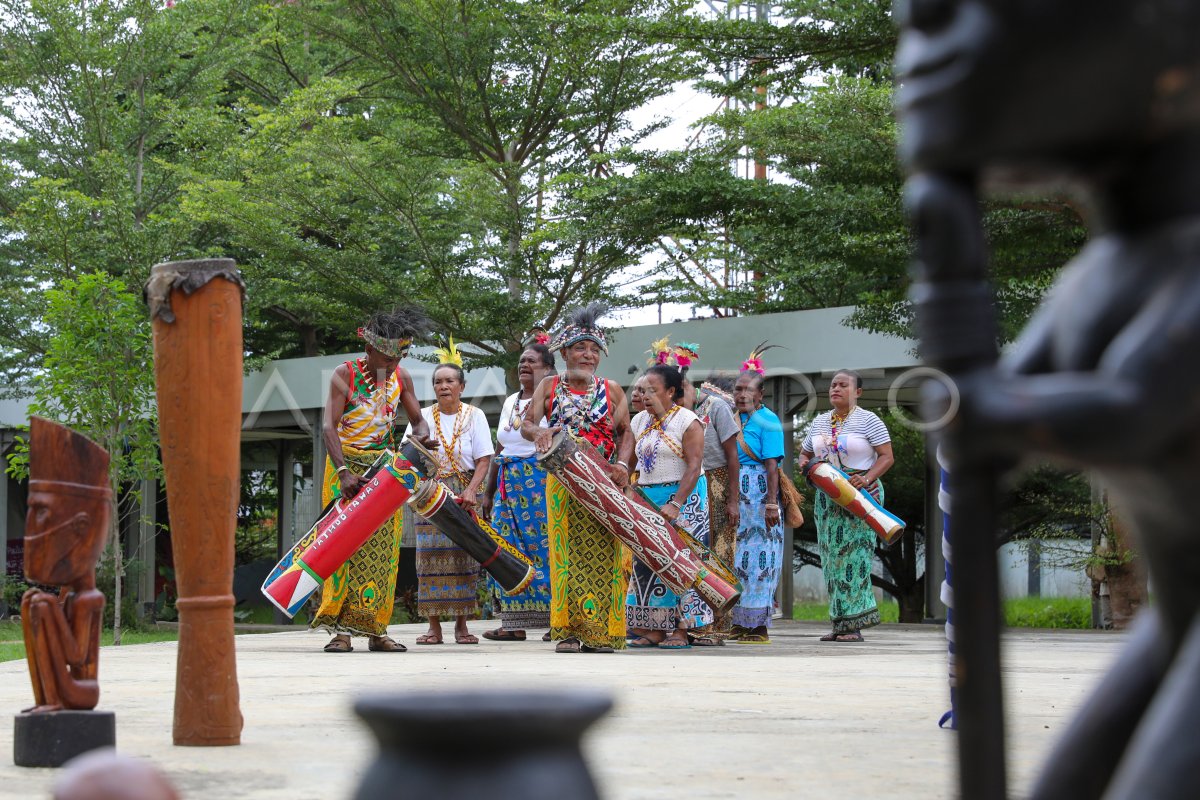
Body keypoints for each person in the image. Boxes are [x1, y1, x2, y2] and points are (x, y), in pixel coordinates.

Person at [313, 309, 431, 653]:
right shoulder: (344, 374)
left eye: (398, 356)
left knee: (384, 551)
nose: (392, 362)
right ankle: (341, 633)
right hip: (346, 468)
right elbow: (327, 426)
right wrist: (343, 472)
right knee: (341, 547)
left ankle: (377, 630)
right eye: (386, 355)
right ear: (368, 347)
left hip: (384, 471)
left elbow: (418, 421)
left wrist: (422, 437)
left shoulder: (402, 378)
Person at [523, 302, 632, 653]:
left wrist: (623, 465)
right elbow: (523, 423)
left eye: (594, 349)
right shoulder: (549, 386)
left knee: (606, 549)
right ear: (565, 352)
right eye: (580, 348)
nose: (588, 355)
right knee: (565, 552)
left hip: (603, 478)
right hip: (563, 478)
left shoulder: (612, 389)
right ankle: (570, 631)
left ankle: (602, 631)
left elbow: (626, 433)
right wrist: (538, 433)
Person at [404, 343, 495, 645]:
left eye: (449, 381)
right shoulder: (422, 416)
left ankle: (461, 626)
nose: (443, 386)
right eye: (438, 382)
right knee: (427, 559)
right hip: (429, 492)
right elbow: (407, 454)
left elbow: (484, 459)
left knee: (464, 556)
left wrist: (471, 491)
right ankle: (434, 628)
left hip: (463, 493)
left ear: (461, 385)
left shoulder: (475, 415)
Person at [797, 370, 894, 643]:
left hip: (860, 491)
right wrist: (806, 466)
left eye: (843, 385)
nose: (835, 388)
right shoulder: (819, 422)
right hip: (827, 494)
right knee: (830, 557)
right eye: (833, 385)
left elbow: (887, 456)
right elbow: (805, 453)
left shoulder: (868, 420)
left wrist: (867, 477)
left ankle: (855, 624)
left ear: (858, 392)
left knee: (853, 554)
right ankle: (839, 622)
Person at [619, 363, 711, 650]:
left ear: (671, 391)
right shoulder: (638, 422)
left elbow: (694, 467)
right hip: (647, 498)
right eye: (643, 390)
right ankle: (652, 629)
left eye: (653, 391)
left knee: (681, 562)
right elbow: (628, 465)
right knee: (646, 562)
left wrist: (676, 503)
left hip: (685, 497)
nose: (645, 396)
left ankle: (682, 629)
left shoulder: (688, 421)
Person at [479, 342, 557, 642]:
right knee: (505, 546)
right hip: (507, 485)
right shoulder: (512, 400)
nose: (524, 365)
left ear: (548, 369)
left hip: (539, 481)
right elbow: (502, 447)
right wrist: (488, 491)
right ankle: (512, 622)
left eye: (532, 362)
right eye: (522, 361)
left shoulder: (554, 399)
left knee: (545, 549)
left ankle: (557, 620)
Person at [729, 350, 785, 644]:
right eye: (737, 389)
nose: (741, 394)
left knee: (762, 561)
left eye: (748, 389)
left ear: (760, 393)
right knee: (737, 557)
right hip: (735, 492)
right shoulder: (731, 418)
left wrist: (772, 502)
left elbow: (773, 464)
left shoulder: (768, 420)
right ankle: (738, 621)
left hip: (760, 493)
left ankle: (759, 626)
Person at [690, 373, 741, 643]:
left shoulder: (717, 407)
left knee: (721, 552)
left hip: (719, 481)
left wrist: (733, 500)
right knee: (698, 552)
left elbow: (733, 456)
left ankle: (720, 625)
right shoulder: (685, 409)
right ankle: (699, 622)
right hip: (696, 482)